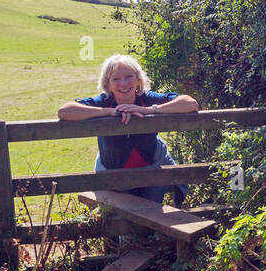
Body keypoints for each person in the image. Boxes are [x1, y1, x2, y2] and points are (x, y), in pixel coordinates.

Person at [58, 55, 198, 206]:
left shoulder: (146, 98)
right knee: (119, 218)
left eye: (129, 76)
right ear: (108, 84)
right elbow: (64, 111)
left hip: (154, 168)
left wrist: (148, 110)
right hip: (113, 173)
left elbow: (190, 104)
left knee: (150, 210)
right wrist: (109, 112)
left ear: (139, 80)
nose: (123, 83)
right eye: (116, 79)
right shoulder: (104, 101)